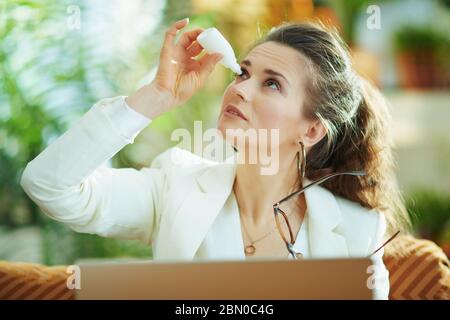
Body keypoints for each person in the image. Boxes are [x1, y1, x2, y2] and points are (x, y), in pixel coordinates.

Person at [21, 18, 410, 299]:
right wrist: (154, 98)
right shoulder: (175, 185)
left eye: (271, 83)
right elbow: (49, 186)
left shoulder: (358, 231)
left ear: (310, 131)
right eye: (242, 73)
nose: (240, 89)